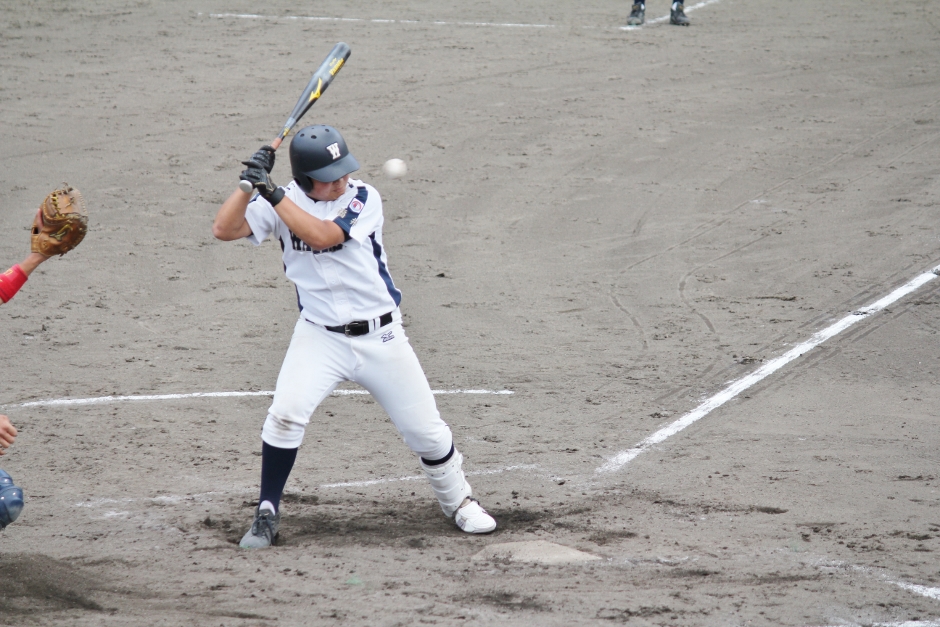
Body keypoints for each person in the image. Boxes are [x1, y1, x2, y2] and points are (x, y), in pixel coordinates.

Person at [213, 125, 497, 549]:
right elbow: (224, 229)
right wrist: (247, 185)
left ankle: (459, 502)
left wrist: (271, 193)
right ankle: (266, 512)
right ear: (305, 178)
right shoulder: (280, 200)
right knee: (285, 414)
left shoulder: (363, 197)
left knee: (427, 434)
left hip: (382, 337)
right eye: (330, 176)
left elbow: (323, 237)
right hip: (319, 337)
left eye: (344, 170)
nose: (341, 180)